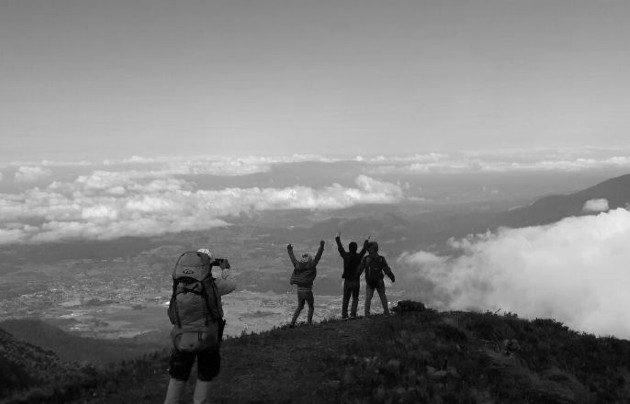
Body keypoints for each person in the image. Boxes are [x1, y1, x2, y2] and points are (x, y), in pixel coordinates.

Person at [164, 248, 236, 404]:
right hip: (208, 338)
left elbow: (172, 315)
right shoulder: (213, 285)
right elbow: (231, 285)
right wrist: (226, 269)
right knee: (205, 373)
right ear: (208, 266)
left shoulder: (179, 285)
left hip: (182, 338)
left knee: (178, 374)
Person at [287, 240, 325, 327]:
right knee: (311, 307)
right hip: (308, 290)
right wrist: (322, 246)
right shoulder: (311, 265)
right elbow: (318, 256)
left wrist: (289, 249)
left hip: (299, 291)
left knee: (300, 306)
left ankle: (292, 323)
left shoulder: (297, 265)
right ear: (310, 259)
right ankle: (309, 323)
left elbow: (292, 258)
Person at [335, 233, 369, 319]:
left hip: (347, 281)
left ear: (349, 248)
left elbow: (340, 249)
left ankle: (344, 315)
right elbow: (364, 249)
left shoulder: (345, 256)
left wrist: (337, 239)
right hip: (356, 280)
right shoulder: (358, 256)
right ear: (356, 248)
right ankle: (353, 314)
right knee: (355, 298)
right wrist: (366, 240)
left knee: (346, 299)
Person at [357, 241, 395, 316]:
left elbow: (360, 269)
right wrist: (392, 277)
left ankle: (367, 314)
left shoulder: (366, 258)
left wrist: (355, 276)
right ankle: (386, 313)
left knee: (368, 298)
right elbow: (386, 269)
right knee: (383, 296)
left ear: (370, 249)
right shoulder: (381, 259)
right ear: (376, 249)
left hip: (370, 282)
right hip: (379, 281)